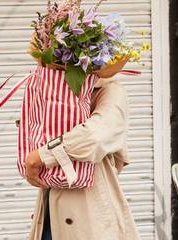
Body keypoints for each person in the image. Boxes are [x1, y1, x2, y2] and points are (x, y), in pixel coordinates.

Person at [24, 76, 141, 240]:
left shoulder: (110, 90)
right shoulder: (54, 89)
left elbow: (94, 136)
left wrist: (43, 155)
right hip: (50, 214)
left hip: (90, 216)